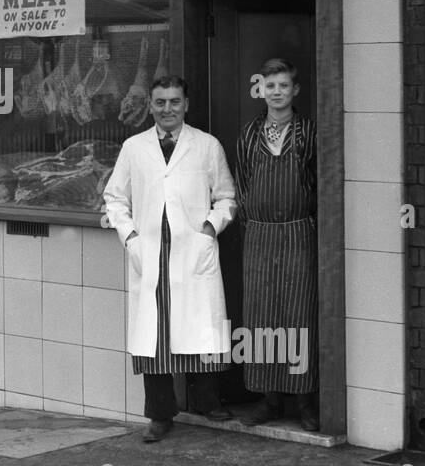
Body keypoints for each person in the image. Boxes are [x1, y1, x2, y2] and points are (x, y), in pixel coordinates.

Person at [103, 76, 237, 442]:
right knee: (156, 336)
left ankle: (208, 401)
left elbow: (226, 197)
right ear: (150, 106)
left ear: (186, 104)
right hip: (150, 250)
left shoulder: (207, 146)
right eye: (160, 102)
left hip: (191, 248)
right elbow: (114, 198)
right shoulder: (134, 147)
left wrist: (210, 228)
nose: (167, 109)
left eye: (174, 102)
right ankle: (160, 415)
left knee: (200, 326)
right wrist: (130, 237)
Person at [235, 58, 320, 430]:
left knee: (298, 314)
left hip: (299, 233)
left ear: (294, 90)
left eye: (284, 85)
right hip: (259, 235)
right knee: (261, 315)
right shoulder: (250, 134)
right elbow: (241, 183)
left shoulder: (308, 132)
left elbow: (320, 182)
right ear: (261, 90)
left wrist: (311, 224)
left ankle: (305, 402)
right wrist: (254, 221)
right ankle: (267, 400)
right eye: (271, 86)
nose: (277, 92)